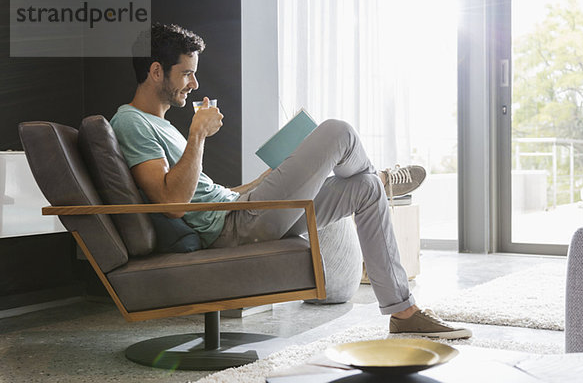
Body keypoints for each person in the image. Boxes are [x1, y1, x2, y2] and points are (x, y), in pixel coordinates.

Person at [110, 23, 472, 339]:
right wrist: (198, 136)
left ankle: (403, 313)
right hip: (233, 227)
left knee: (365, 189)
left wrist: (257, 184)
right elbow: (172, 205)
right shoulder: (131, 123)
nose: (195, 83)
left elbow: (201, 195)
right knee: (338, 131)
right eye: (187, 73)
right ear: (156, 71)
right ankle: (381, 174)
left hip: (240, 210)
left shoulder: (161, 125)